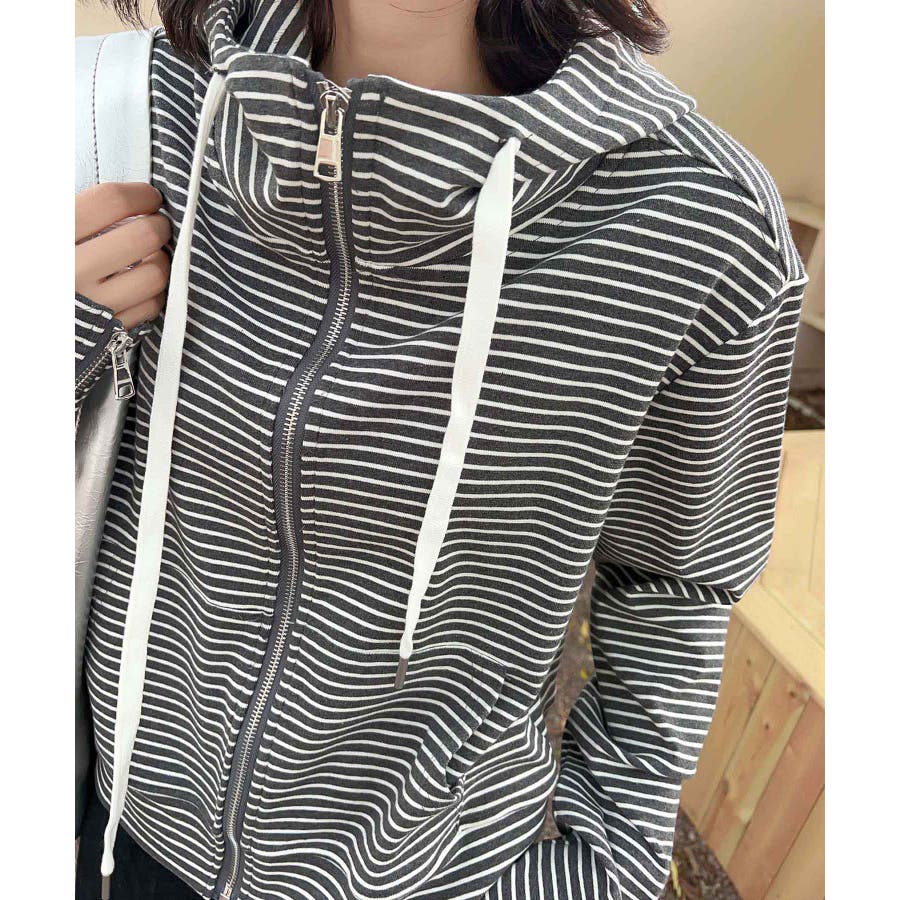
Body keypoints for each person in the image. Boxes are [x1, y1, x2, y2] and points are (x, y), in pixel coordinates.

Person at [74, 1, 807, 898]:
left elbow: (675, 584)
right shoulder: (112, 113)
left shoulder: (703, 222)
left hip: (438, 873)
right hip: (123, 829)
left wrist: (607, 865)